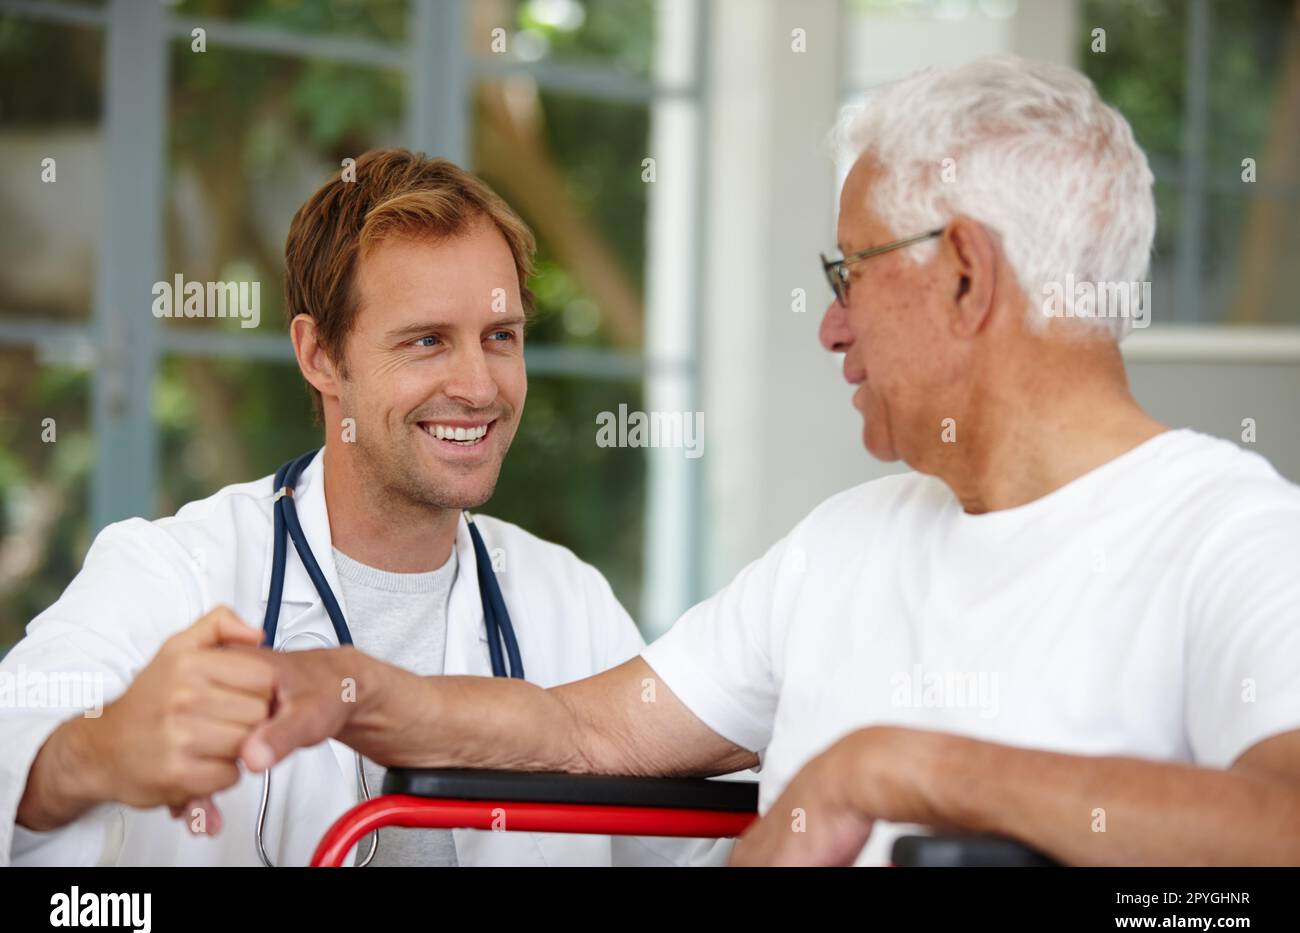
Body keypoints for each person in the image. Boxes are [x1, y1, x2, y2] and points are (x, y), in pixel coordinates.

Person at [227, 57, 1300, 866]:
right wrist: (340, 684)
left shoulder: (1230, 537)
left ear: (966, 277)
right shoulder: (849, 543)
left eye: (851, 271)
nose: (830, 326)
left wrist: (898, 769)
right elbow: (577, 727)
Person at [2, 148, 719, 867]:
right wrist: (97, 752)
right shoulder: (172, 575)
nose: (477, 386)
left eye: (500, 337)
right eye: (427, 341)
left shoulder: (569, 600)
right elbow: (17, 747)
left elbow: (693, 848)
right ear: (318, 355)